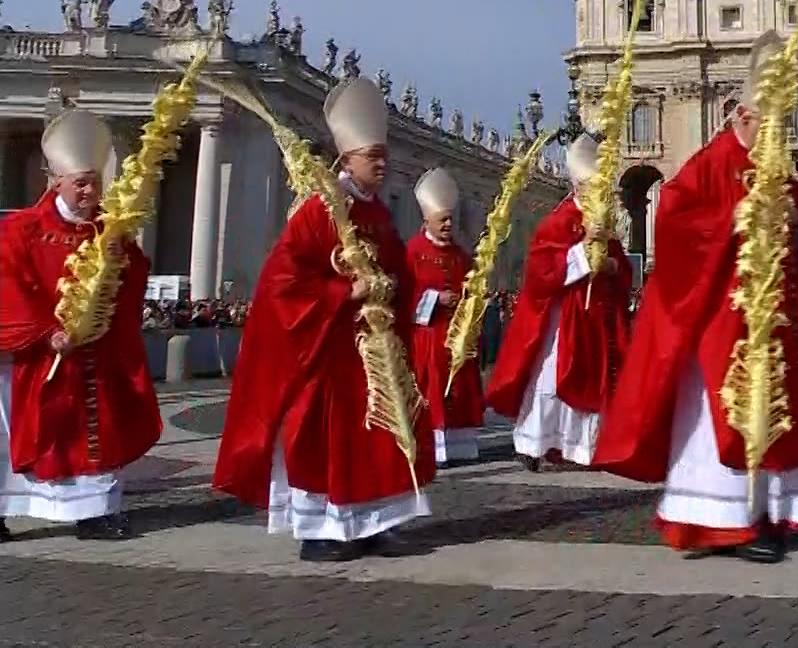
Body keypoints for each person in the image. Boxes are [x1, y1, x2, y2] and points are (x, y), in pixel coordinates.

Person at [596, 32, 798, 563]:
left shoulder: (775, 170)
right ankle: (723, 520)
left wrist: (796, 226)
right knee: (721, 415)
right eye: (767, 125)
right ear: (742, 116)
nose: (775, 136)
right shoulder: (711, 163)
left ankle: (767, 511)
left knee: (774, 412)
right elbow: (675, 220)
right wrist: (735, 222)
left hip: (771, 321)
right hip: (722, 320)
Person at [214, 76, 434, 562]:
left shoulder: (377, 214)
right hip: (327, 352)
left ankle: (372, 521)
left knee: (373, 437)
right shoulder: (319, 211)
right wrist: (342, 293)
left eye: (384, 156)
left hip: (370, 353)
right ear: (347, 159)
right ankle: (320, 530)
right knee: (324, 439)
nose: (383, 164)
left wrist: (391, 290)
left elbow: (398, 269)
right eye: (373, 156)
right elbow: (282, 282)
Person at [0, 109, 162, 540]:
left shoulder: (110, 231)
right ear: (56, 182)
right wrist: (45, 331)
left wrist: (121, 269)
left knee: (96, 427)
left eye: (95, 182)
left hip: (92, 354)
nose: (91, 191)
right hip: (30, 357)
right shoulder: (21, 229)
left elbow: (133, 279)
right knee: (12, 431)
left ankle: (94, 512)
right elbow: (8, 281)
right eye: (81, 183)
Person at [485, 135, 632, 471]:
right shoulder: (559, 221)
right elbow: (541, 270)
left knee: (591, 380)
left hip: (594, 320)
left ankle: (581, 448)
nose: (599, 195)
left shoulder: (606, 224)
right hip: (563, 320)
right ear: (578, 187)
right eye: (593, 188)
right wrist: (582, 254)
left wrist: (611, 265)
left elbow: (621, 267)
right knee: (550, 382)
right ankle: (533, 443)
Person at [405, 167, 483, 467]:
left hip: (457, 336)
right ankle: (433, 445)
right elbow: (405, 292)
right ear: (427, 221)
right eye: (443, 220)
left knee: (461, 388)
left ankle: (460, 445)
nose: (449, 224)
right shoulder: (413, 252)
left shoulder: (461, 255)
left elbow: (470, 286)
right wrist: (435, 299)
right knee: (433, 387)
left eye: (451, 219)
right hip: (428, 336)